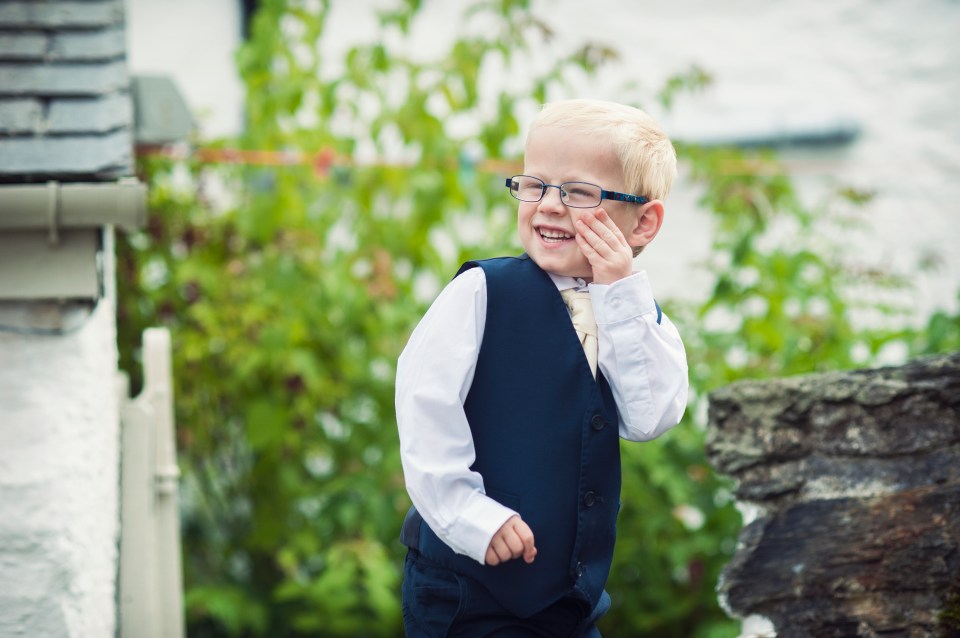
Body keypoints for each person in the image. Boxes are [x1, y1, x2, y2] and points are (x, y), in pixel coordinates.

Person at [395, 99, 688, 637]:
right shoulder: (482, 292)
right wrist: (474, 516)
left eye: (578, 193)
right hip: (469, 590)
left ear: (643, 221)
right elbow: (424, 413)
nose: (550, 206)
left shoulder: (630, 315)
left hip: (569, 602)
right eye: (535, 185)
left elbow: (649, 418)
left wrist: (619, 293)